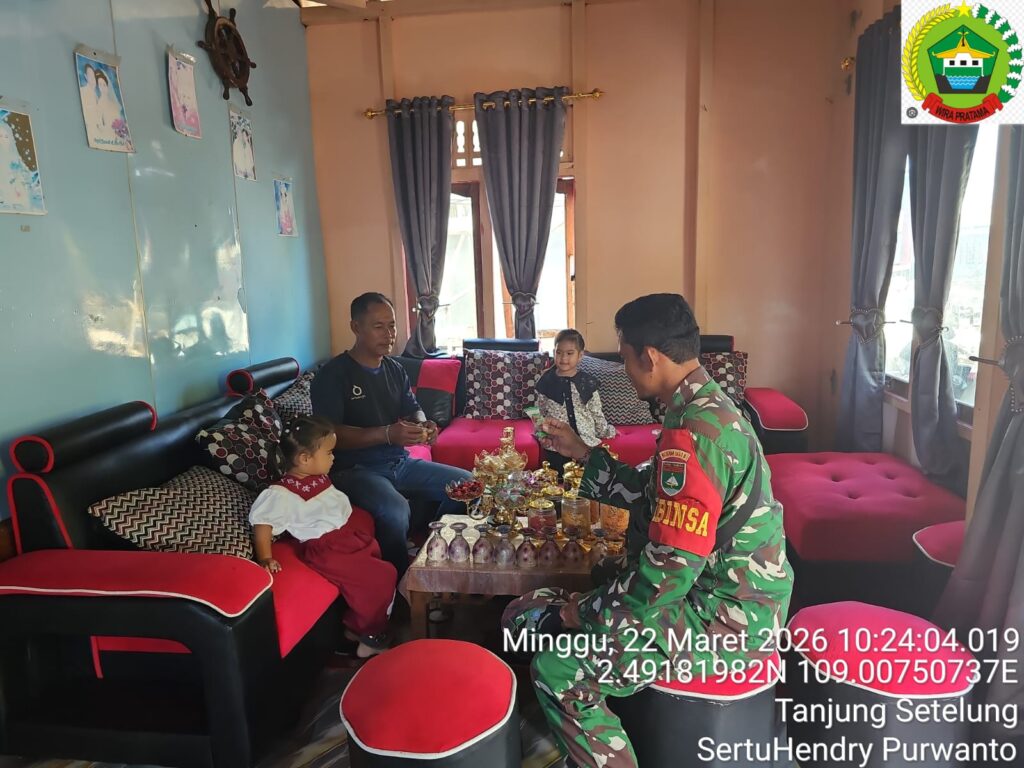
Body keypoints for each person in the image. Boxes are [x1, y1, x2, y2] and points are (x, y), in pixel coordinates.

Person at [502, 293, 794, 768]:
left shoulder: (694, 434)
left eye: (624, 358)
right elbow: (651, 492)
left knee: (556, 669)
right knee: (547, 602)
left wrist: (579, 614)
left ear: (650, 357)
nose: (624, 370)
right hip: (717, 592)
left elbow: (665, 576)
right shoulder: (702, 407)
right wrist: (582, 452)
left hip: (723, 619)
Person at [311, 292, 473, 576]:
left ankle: (435, 555)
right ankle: (400, 585)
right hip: (355, 470)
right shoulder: (333, 375)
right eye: (379, 326)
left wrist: (424, 425)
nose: (389, 334)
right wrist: (387, 434)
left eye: (392, 325)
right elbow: (329, 435)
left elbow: (413, 408)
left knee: (468, 485)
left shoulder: (394, 369)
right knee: (395, 509)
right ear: (356, 327)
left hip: (399, 462)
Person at [249, 416, 396, 659]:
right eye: (329, 453)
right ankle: (370, 637)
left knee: (382, 568)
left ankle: (355, 627)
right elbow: (263, 524)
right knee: (379, 579)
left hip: (344, 538)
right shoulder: (280, 494)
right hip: (327, 549)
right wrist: (265, 557)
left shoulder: (315, 477)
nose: (333, 458)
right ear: (304, 459)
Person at [533, 328, 615, 473]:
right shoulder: (546, 380)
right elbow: (537, 413)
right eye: (559, 352)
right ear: (554, 352)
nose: (563, 358)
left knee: (586, 481)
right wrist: (542, 435)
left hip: (585, 445)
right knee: (557, 481)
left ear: (580, 355)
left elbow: (596, 412)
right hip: (556, 445)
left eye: (570, 353)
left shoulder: (587, 382)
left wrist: (606, 431)